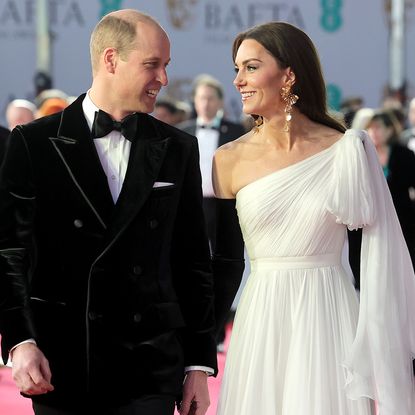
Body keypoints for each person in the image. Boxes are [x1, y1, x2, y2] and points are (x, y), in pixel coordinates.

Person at [0, 9, 217, 415]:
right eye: (152, 65)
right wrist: (20, 341)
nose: (164, 80)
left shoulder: (177, 148)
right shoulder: (34, 143)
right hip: (62, 360)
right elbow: (9, 252)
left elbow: (193, 263)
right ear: (111, 59)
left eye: (166, 66)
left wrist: (198, 365)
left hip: (150, 364)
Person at [212, 21, 415, 415]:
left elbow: (375, 253)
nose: (238, 80)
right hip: (261, 318)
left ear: (288, 75)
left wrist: (379, 344)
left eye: (251, 67)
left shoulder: (347, 150)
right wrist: (201, 351)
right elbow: (224, 262)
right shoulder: (227, 159)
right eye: (236, 69)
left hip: (329, 316)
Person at [177, 74, 245, 352]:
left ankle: (216, 332)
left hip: (224, 206)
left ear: (219, 102)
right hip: (190, 206)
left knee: (223, 265)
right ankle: (189, 329)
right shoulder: (183, 130)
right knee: (190, 266)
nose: (204, 103)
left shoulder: (236, 131)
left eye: (210, 98)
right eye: (200, 98)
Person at [366, 109, 415, 268]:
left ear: (390, 129)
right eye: (370, 128)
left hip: (402, 217)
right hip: (373, 219)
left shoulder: (404, 154)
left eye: (378, 127)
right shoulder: (363, 154)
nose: (374, 132)